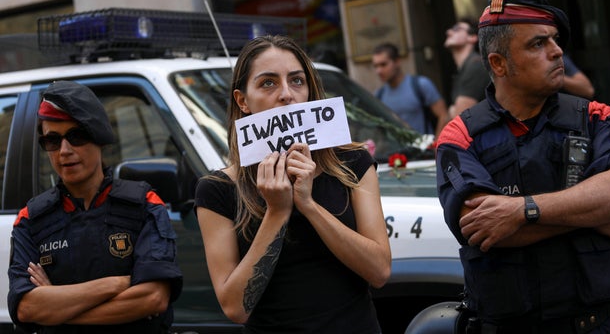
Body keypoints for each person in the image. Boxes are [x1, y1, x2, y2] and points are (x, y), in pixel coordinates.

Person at [436, 0, 610, 333]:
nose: (557, 51)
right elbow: (485, 229)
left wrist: (521, 211)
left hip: (602, 323)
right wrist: (591, 214)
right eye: (537, 44)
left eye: (555, 40)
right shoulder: (459, 136)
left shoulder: (595, 117)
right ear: (499, 63)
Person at [194, 35, 391, 333]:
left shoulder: (353, 162)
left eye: (297, 81)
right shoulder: (217, 190)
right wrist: (277, 212)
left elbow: (379, 271)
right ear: (242, 101)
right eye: (268, 83)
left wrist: (309, 205)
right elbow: (235, 308)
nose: (287, 94)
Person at [7, 81, 183, 333]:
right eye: (53, 141)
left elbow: (152, 298)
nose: (64, 151)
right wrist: (115, 284)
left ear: (99, 136)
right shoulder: (31, 219)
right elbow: (27, 308)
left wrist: (56, 307)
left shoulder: (144, 205)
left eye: (76, 136)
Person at [372, 42, 449, 137]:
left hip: (424, 148)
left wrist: (436, 146)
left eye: (383, 64)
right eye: (375, 66)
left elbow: (444, 115)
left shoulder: (420, 85)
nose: (378, 71)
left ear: (397, 62)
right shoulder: (379, 95)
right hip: (396, 151)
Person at [444, 17, 490, 118]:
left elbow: (459, 118)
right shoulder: (465, 68)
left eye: (457, 29)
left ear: (472, 37)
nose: (449, 32)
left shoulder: (476, 66)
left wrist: (452, 110)